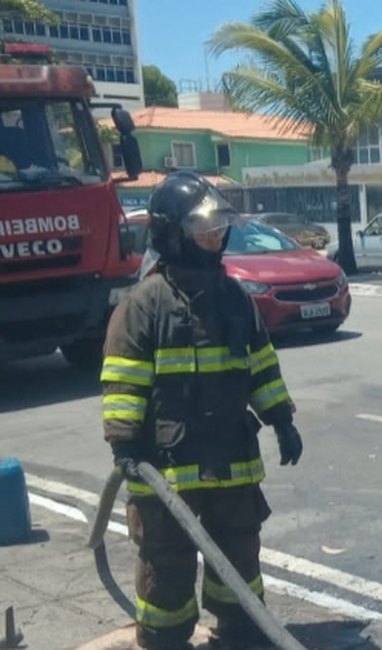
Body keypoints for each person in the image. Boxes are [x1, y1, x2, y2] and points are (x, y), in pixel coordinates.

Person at [100, 171, 304, 650]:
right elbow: (124, 379)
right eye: (201, 230)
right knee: (165, 561)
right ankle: (165, 636)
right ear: (173, 234)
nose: (213, 238)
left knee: (238, 550)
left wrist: (281, 419)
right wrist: (124, 441)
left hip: (231, 459)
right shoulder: (145, 304)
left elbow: (260, 365)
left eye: (217, 229)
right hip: (164, 468)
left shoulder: (234, 298)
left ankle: (240, 626)